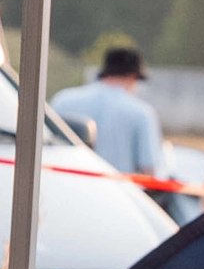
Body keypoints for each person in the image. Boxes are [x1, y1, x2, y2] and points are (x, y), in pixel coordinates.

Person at [52, 47, 164, 178]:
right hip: (117, 190)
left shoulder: (62, 101)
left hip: (65, 187)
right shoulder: (142, 114)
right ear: (133, 77)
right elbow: (149, 170)